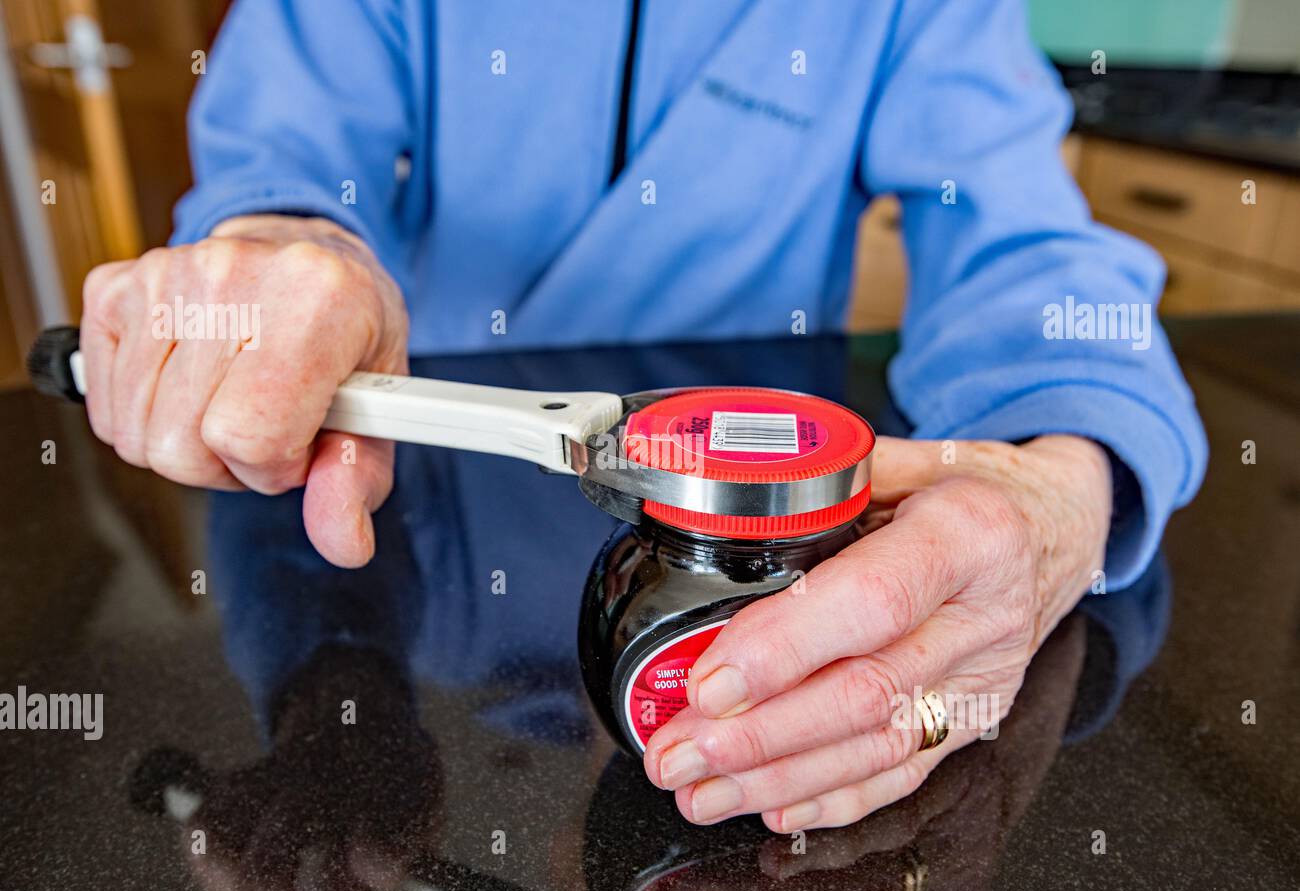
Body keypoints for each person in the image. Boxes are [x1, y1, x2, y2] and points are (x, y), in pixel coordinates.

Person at [77, 0, 1207, 833]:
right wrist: (284, 253)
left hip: (762, 567)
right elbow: (282, 155)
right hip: (402, 496)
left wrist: (1060, 485)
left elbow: (1028, 249)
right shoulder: (456, 643)